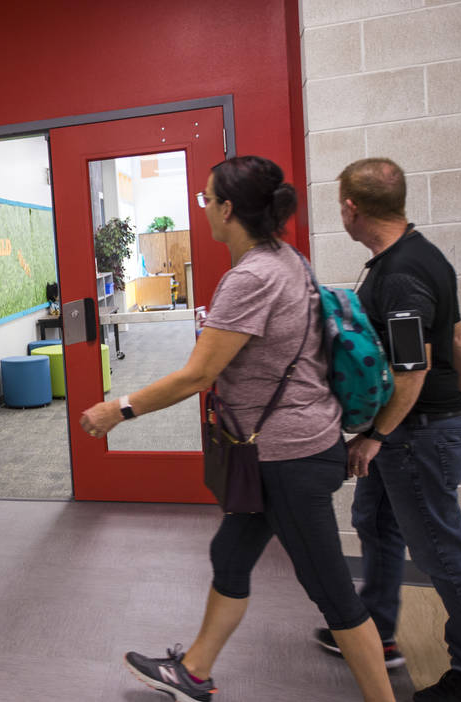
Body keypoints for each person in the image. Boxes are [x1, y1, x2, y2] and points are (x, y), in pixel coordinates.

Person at [80, 156, 395, 702]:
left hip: (286, 459)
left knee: (335, 596)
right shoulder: (287, 259)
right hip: (281, 451)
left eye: (206, 199)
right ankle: (193, 672)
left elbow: (198, 374)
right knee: (231, 557)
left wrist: (119, 409)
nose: (202, 208)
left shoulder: (250, 277)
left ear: (228, 210)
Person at [312, 158, 461, 702]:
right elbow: (456, 337)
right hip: (421, 425)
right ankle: (378, 631)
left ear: (351, 207)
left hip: (416, 434)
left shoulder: (402, 274)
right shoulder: (419, 255)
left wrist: (375, 436)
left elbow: (415, 368)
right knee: (375, 520)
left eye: (339, 203)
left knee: (439, 549)